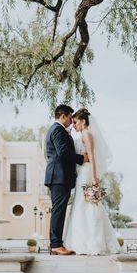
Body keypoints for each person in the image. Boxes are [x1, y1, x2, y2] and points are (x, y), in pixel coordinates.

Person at [63, 108, 120, 255]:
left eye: (75, 122)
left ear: (83, 121)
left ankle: (93, 242)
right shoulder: (82, 135)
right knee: (81, 205)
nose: (73, 125)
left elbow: (93, 158)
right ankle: (83, 241)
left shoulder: (87, 135)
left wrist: (94, 177)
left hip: (87, 173)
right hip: (82, 172)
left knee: (89, 205)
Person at [44, 104, 89, 255]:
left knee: (59, 210)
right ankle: (56, 245)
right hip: (59, 176)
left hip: (60, 176)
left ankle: (56, 244)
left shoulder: (57, 130)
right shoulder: (57, 129)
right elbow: (63, 152)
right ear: (62, 116)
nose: (71, 121)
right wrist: (82, 158)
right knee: (58, 210)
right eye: (70, 118)